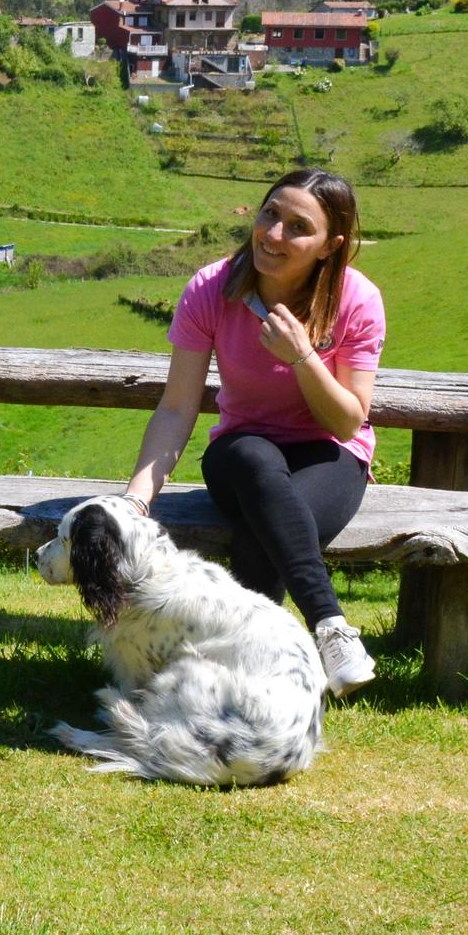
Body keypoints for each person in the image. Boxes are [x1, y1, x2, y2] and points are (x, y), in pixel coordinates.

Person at [119, 167, 383, 697]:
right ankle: (329, 627)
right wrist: (135, 502)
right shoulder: (212, 288)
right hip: (241, 455)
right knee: (257, 464)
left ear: (330, 246)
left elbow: (348, 419)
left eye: (297, 227)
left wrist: (303, 356)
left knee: (268, 533)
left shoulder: (357, 300)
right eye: (270, 214)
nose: (274, 234)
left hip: (329, 455)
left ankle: (233, 679)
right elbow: (176, 408)